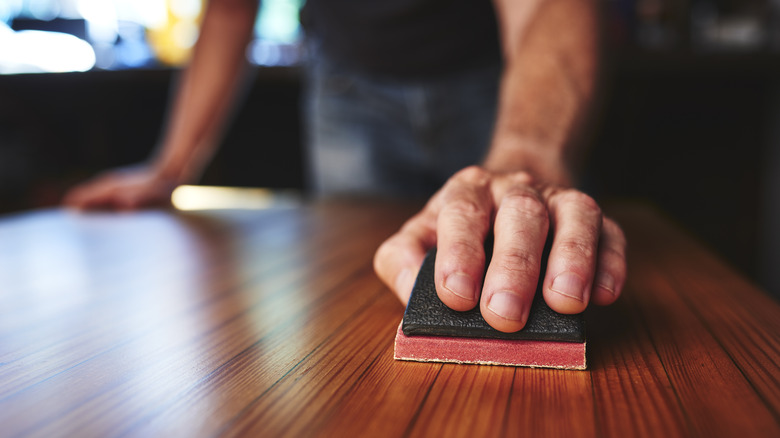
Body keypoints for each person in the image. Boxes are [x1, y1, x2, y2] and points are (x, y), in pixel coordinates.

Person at [64, 0, 626, 333]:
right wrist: (169, 167)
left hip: (502, 73)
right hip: (347, 87)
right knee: (362, 304)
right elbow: (232, 7)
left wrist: (526, 157)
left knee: (532, 252)